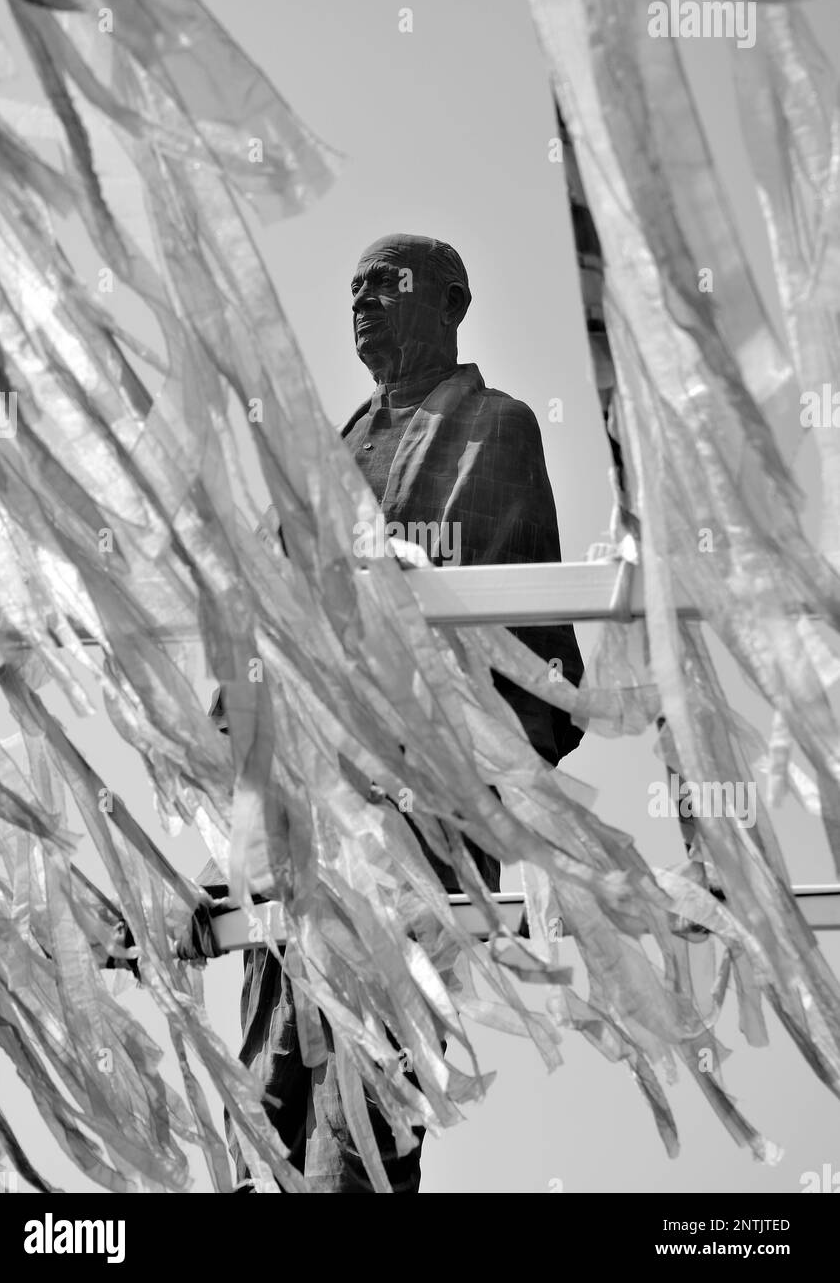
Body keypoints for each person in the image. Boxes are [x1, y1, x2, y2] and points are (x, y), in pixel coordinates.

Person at [190, 234, 585, 1191]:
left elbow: (527, 640)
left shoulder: (499, 425)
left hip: (422, 799)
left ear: (451, 302)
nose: (363, 299)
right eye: (355, 285)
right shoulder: (324, 453)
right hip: (302, 809)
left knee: (375, 1070)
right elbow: (262, 617)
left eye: (387, 283)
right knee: (272, 1060)